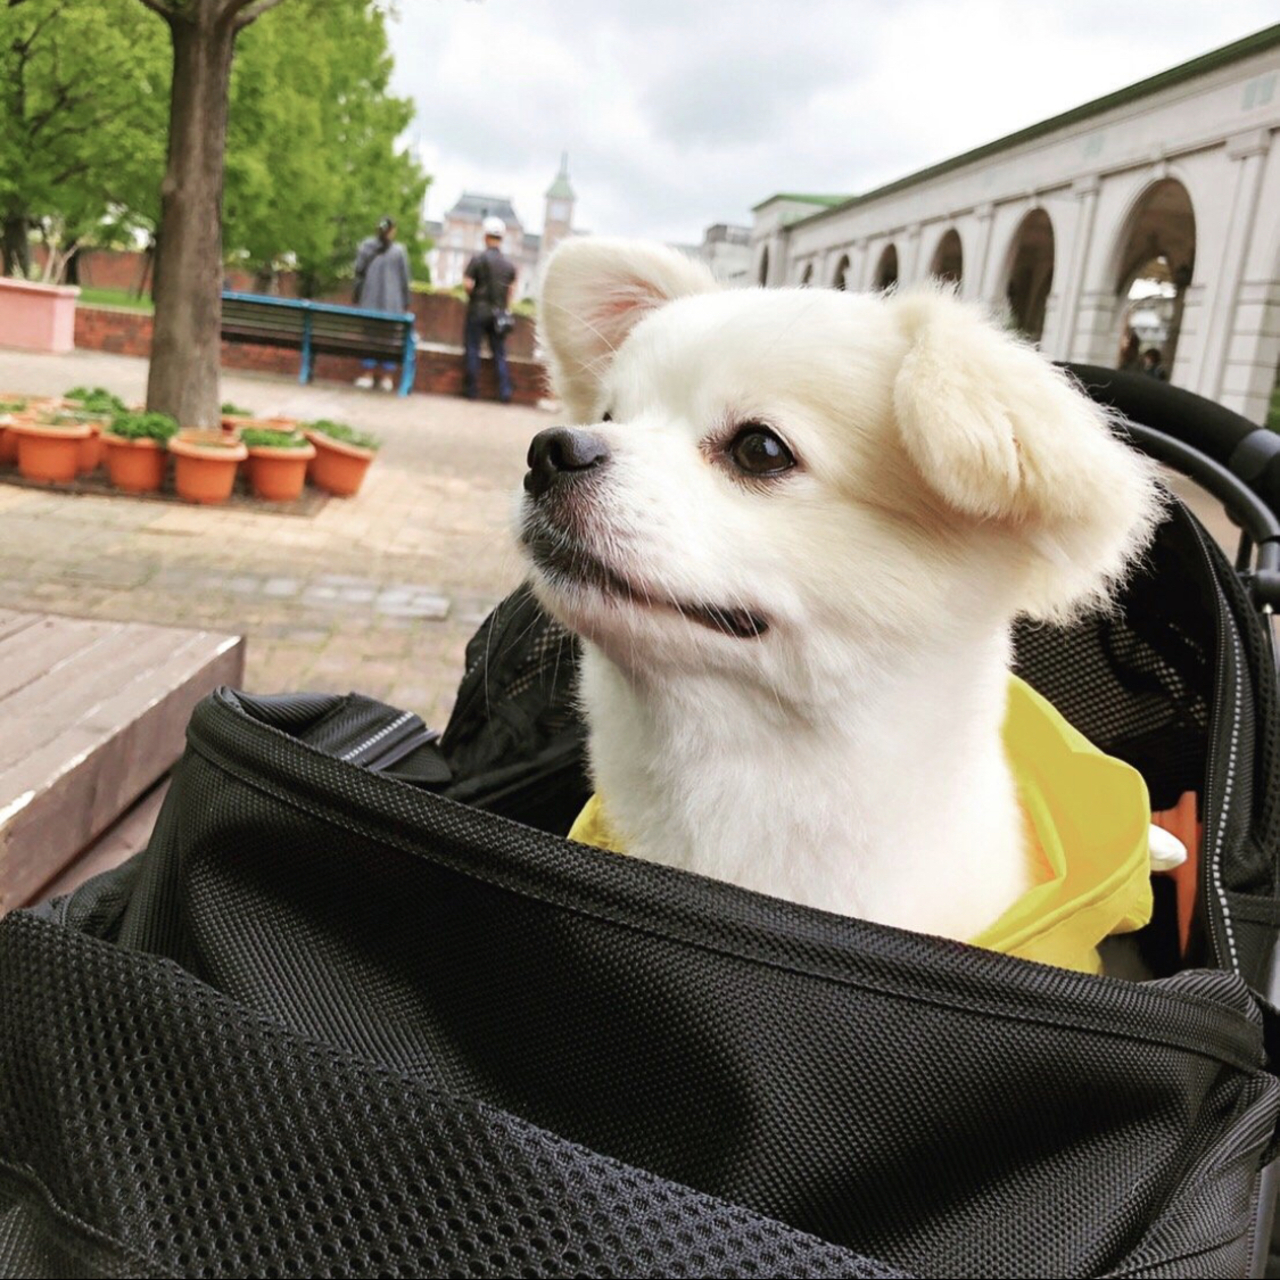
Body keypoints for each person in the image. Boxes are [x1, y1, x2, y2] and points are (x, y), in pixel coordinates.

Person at [353, 216, 412, 391]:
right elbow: (405, 279)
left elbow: (358, 273)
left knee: (369, 338)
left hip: (369, 302)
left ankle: (367, 375)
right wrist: (406, 302)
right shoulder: (399, 251)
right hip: (392, 305)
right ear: (392, 231)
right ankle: (387, 377)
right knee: (390, 341)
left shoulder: (365, 246)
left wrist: (357, 297)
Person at [463, 215, 516, 403]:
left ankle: (471, 390)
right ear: (502, 238)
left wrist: (475, 296)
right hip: (498, 314)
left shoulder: (478, 260)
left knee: (473, 349)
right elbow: (510, 291)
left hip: (478, 310)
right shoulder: (508, 265)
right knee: (499, 353)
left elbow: (468, 284)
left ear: (486, 236)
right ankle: (504, 391)